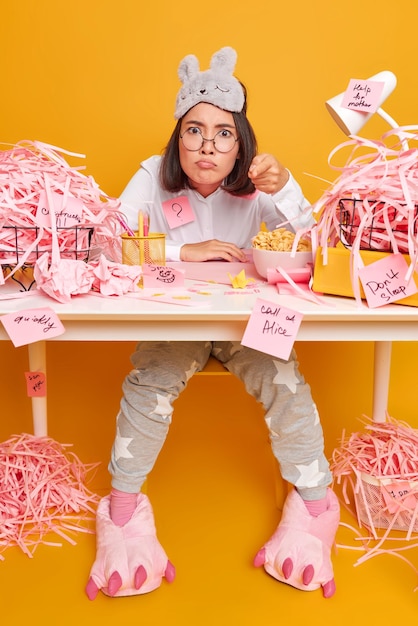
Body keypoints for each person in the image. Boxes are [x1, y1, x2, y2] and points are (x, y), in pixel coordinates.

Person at [86, 46, 339, 601]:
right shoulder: (153, 176)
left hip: (250, 324)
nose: (207, 144)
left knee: (286, 383)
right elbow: (106, 240)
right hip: (177, 324)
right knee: (148, 383)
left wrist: (288, 184)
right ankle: (123, 515)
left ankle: (317, 510)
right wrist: (183, 252)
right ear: (178, 139)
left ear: (241, 144)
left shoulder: (257, 188)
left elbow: (316, 239)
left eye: (224, 134)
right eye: (194, 130)